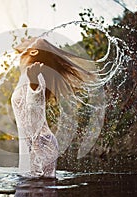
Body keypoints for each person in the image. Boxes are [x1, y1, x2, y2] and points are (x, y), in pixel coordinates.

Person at [11, 37, 96, 178]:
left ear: (33, 52)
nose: (24, 39)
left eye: (29, 39)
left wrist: (34, 86)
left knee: (37, 188)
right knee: (30, 187)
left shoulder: (35, 77)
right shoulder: (28, 74)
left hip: (41, 145)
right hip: (35, 144)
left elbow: (35, 112)